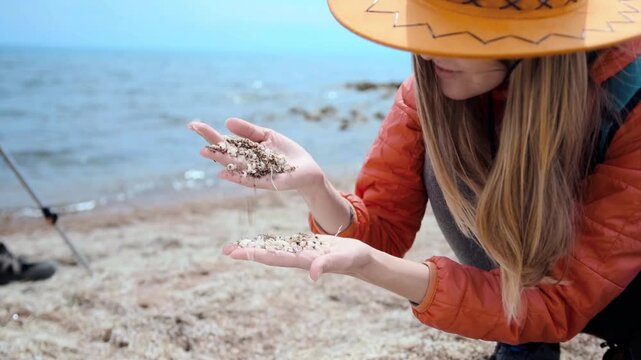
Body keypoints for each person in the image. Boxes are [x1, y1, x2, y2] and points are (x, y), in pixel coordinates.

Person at [189, 0, 641, 358]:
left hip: (622, 297)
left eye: (455, 31)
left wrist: (373, 266)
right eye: (431, 23)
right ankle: (520, 338)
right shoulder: (431, 93)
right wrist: (316, 189)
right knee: (448, 154)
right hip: (530, 284)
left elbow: (559, 303)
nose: (426, 51)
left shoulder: (630, 102)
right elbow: (381, 232)